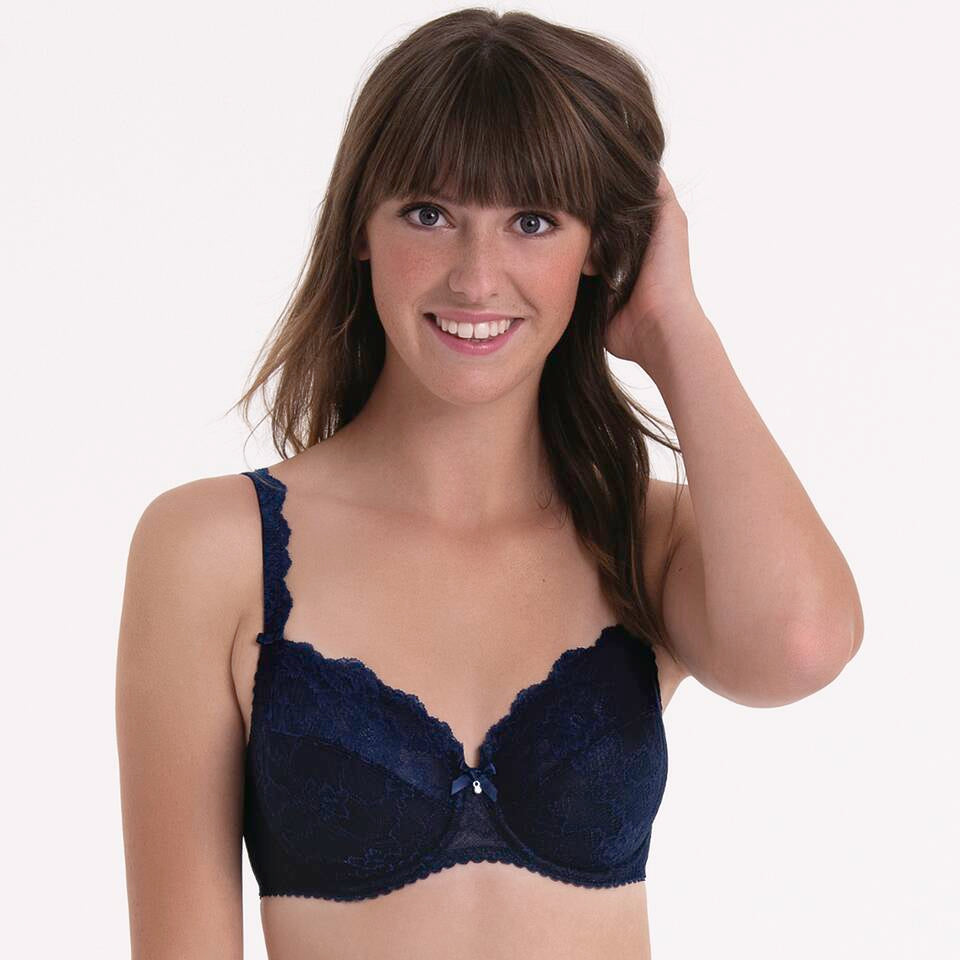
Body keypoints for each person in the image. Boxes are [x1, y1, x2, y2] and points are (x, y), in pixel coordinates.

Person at [115, 8, 863, 959]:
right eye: (429, 214)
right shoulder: (213, 548)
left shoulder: (644, 540)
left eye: (533, 222)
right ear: (360, 229)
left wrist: (673, 324)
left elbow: (801, 648)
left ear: (600, 249)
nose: (475, 278)